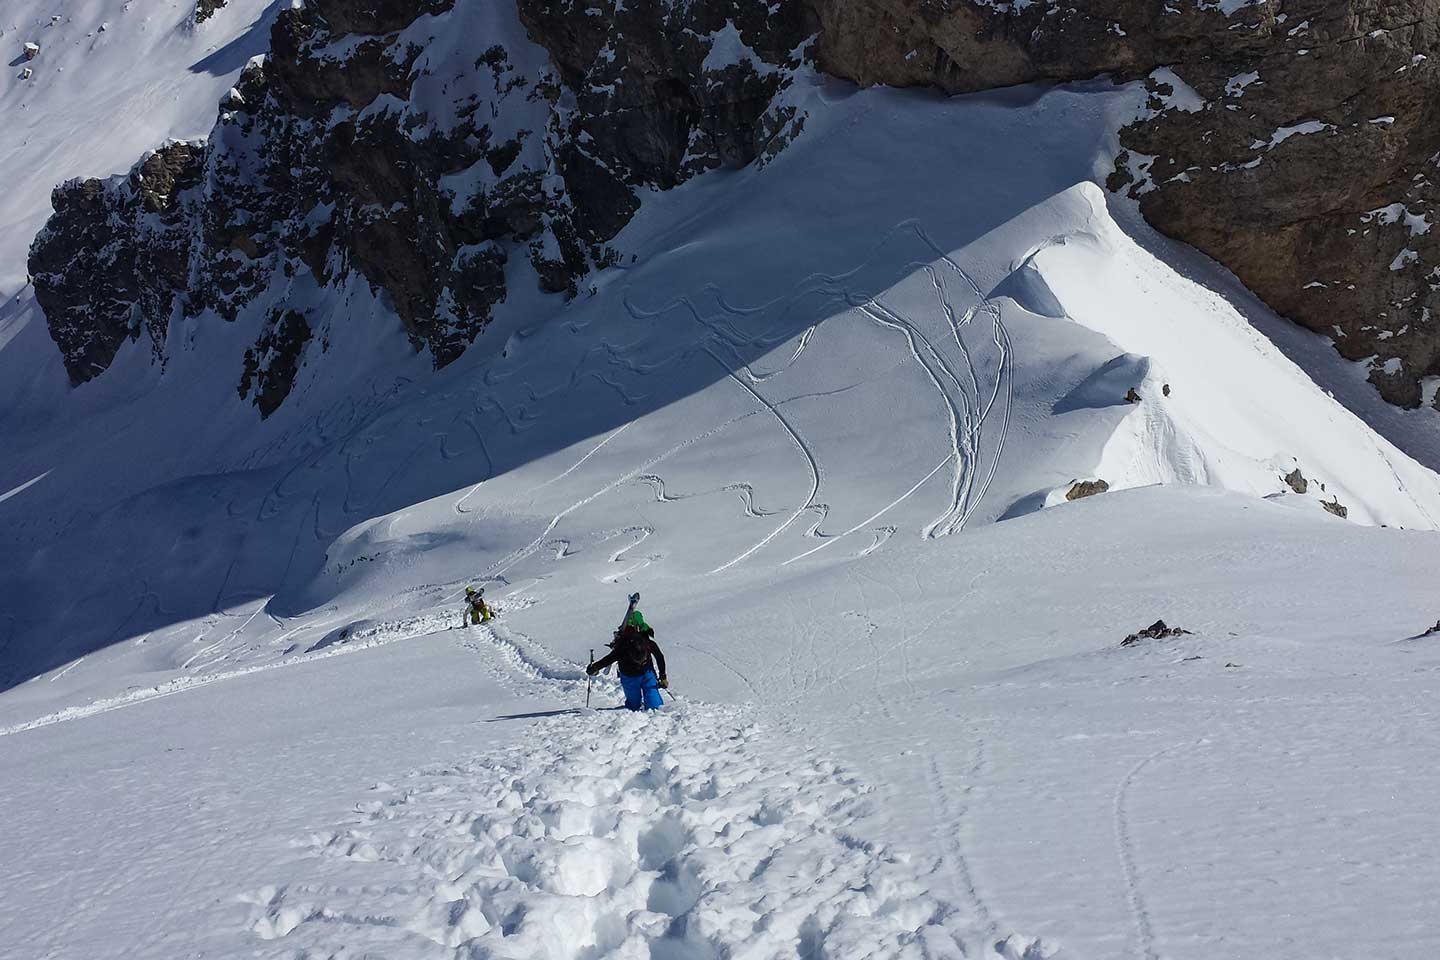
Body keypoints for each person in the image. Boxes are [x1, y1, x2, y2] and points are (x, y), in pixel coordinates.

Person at [587, 610, 667, 710]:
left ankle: (655, 711)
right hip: (630, 676)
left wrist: (663, 676)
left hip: (646, 673)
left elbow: (660, 657)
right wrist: (594, 667)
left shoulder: (647, 643)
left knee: (655, 705)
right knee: (633, 706)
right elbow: (608, 659)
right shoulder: (623, 647)